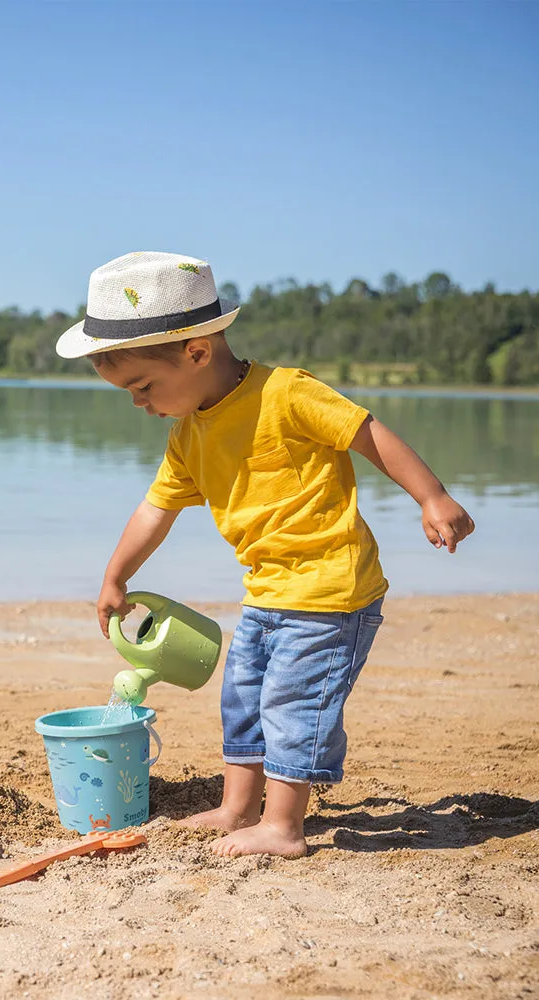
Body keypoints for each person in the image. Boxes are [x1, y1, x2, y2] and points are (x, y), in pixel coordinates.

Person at [56, 251, 475, 858]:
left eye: (143, 386)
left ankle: (283, 826)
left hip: (332, 589)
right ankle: (236, 808)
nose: (138, 403)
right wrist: (115, 575)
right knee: (243, 696)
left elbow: (367, 432)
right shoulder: (189, 432)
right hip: (267, 591)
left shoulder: (286, 393)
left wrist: (432, 496)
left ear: (197, 351)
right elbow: (156, 509)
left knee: (293, 703)